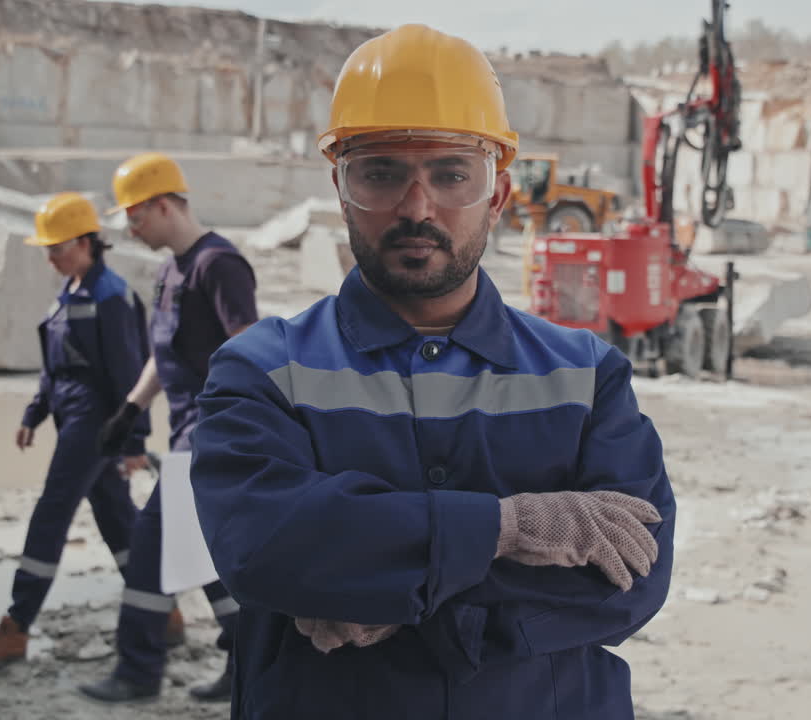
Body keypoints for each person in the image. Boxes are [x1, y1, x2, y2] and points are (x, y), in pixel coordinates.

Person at [188, 24, 676, 719]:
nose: (417, 206)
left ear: (499, 194)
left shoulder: (586, 374)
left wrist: (393, 589)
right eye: (380, 172)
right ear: (340, 186)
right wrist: (507, 529)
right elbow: (267, 553)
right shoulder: (263, 370)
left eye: (452, 173)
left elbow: (634, 575)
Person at [0, 192, 178, 662]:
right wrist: (34, 413)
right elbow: (57, 368)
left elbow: (129, 373)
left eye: (57, 248)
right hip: (74, 419)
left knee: (50, 515)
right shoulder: (72, 292)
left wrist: (133, 441)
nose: (50, 257)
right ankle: (163, 610)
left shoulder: (110, 297)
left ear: (84, 242)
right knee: (117, 519)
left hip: (95, 427)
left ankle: (16, 626)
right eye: (47, 248)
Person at [78, 152, 258, 704]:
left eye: (135, 215)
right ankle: (247, 661)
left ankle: (137, 671)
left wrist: (230, 441)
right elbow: (165, 351)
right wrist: (131, 409)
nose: (130, 228)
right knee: (202, 557)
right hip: (183, 432)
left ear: (163, 204)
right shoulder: (171, 271)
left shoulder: (218, 266)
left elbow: (250, 353)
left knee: (152, 550)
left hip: (209, 438)